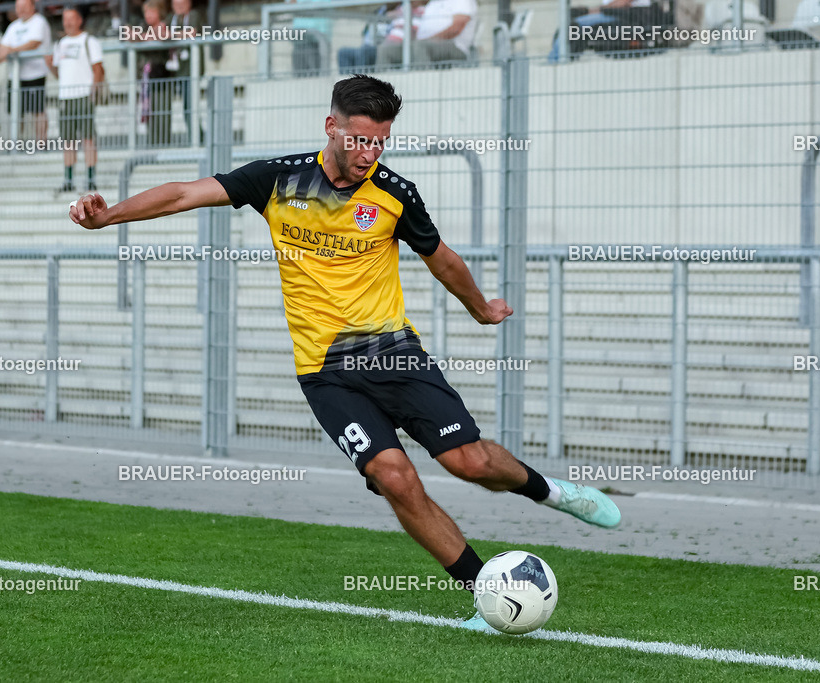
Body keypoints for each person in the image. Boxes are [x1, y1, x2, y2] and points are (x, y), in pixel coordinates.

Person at [68, 75, 621, 629]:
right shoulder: (279, 179)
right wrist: (109, 215)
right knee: (395, 478)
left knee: (468, 462)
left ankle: (553, 492)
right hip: (325, 373)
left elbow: (443, 258)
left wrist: (479, 308)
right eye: (359, 139)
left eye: (380, 141)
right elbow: (188, 192)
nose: (369, 153)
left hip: (394, 354)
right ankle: (485, 593)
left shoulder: (394, 194)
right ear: (331, 127)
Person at [46, 7, 104, 194]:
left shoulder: (89, 41)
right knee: (68, 140)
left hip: (83, 95)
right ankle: (68, 179)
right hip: (66, 97)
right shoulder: (60, 44)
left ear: (79, 20)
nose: (67, 23)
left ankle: (91, 177)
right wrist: (49, 64)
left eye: (71, 19)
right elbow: (58, 72)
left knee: (88, 137)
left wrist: (93, 90)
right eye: (65, 19)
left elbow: (98, 68)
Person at [0, 0, 51, 142]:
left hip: (35, 74)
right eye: (18, 7)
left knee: (38, 110)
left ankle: (42, 143)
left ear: (32, 6)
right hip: (15, 76)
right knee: (16, 112)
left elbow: (34, 43)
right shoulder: (13, 26)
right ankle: (18, 143)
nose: (21, 10)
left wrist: (11, 50)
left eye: (24, 6)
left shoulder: (39, 22)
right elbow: (3, 47)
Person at [547, 0, 656, 62]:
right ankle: (557, 56)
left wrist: (595, 10)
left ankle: (557, 58)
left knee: (576, 24)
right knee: (570, 22)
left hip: (623, 15)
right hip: (609, 13)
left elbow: (622, 3)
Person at [376, 0, 476, 67]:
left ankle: (422, 84)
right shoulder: (432, 3)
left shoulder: (463, 1)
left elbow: (456, 28)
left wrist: (430, 40)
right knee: (386, 50)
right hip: (422, 44)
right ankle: (380, 93)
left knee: (419, 46)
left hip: (455, 47)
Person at [135, 0, 174, 146]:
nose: (148, 15)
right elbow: (131, 36)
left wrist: (148, 36)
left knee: (162, 113)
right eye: (146, 12)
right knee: (150, 113)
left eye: (151, 11)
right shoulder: (143, 27)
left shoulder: (166, 24)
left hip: (163, 77)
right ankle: (153, 145)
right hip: (147, 79)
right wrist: (149, 36)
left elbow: (165, 36)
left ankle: (164, 146)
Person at [167, 0, 201, 140]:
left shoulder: (193, 15)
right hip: (174, 69)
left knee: (189, 106)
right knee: (183, 107)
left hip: (190, 70)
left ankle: (197, 138)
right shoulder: (171, 18)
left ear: (189, 4)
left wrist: (170, 35)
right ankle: (197, 136)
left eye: (182, 4)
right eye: (176, 4)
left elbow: (192, 32)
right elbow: (160, 31)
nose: (179, 8)